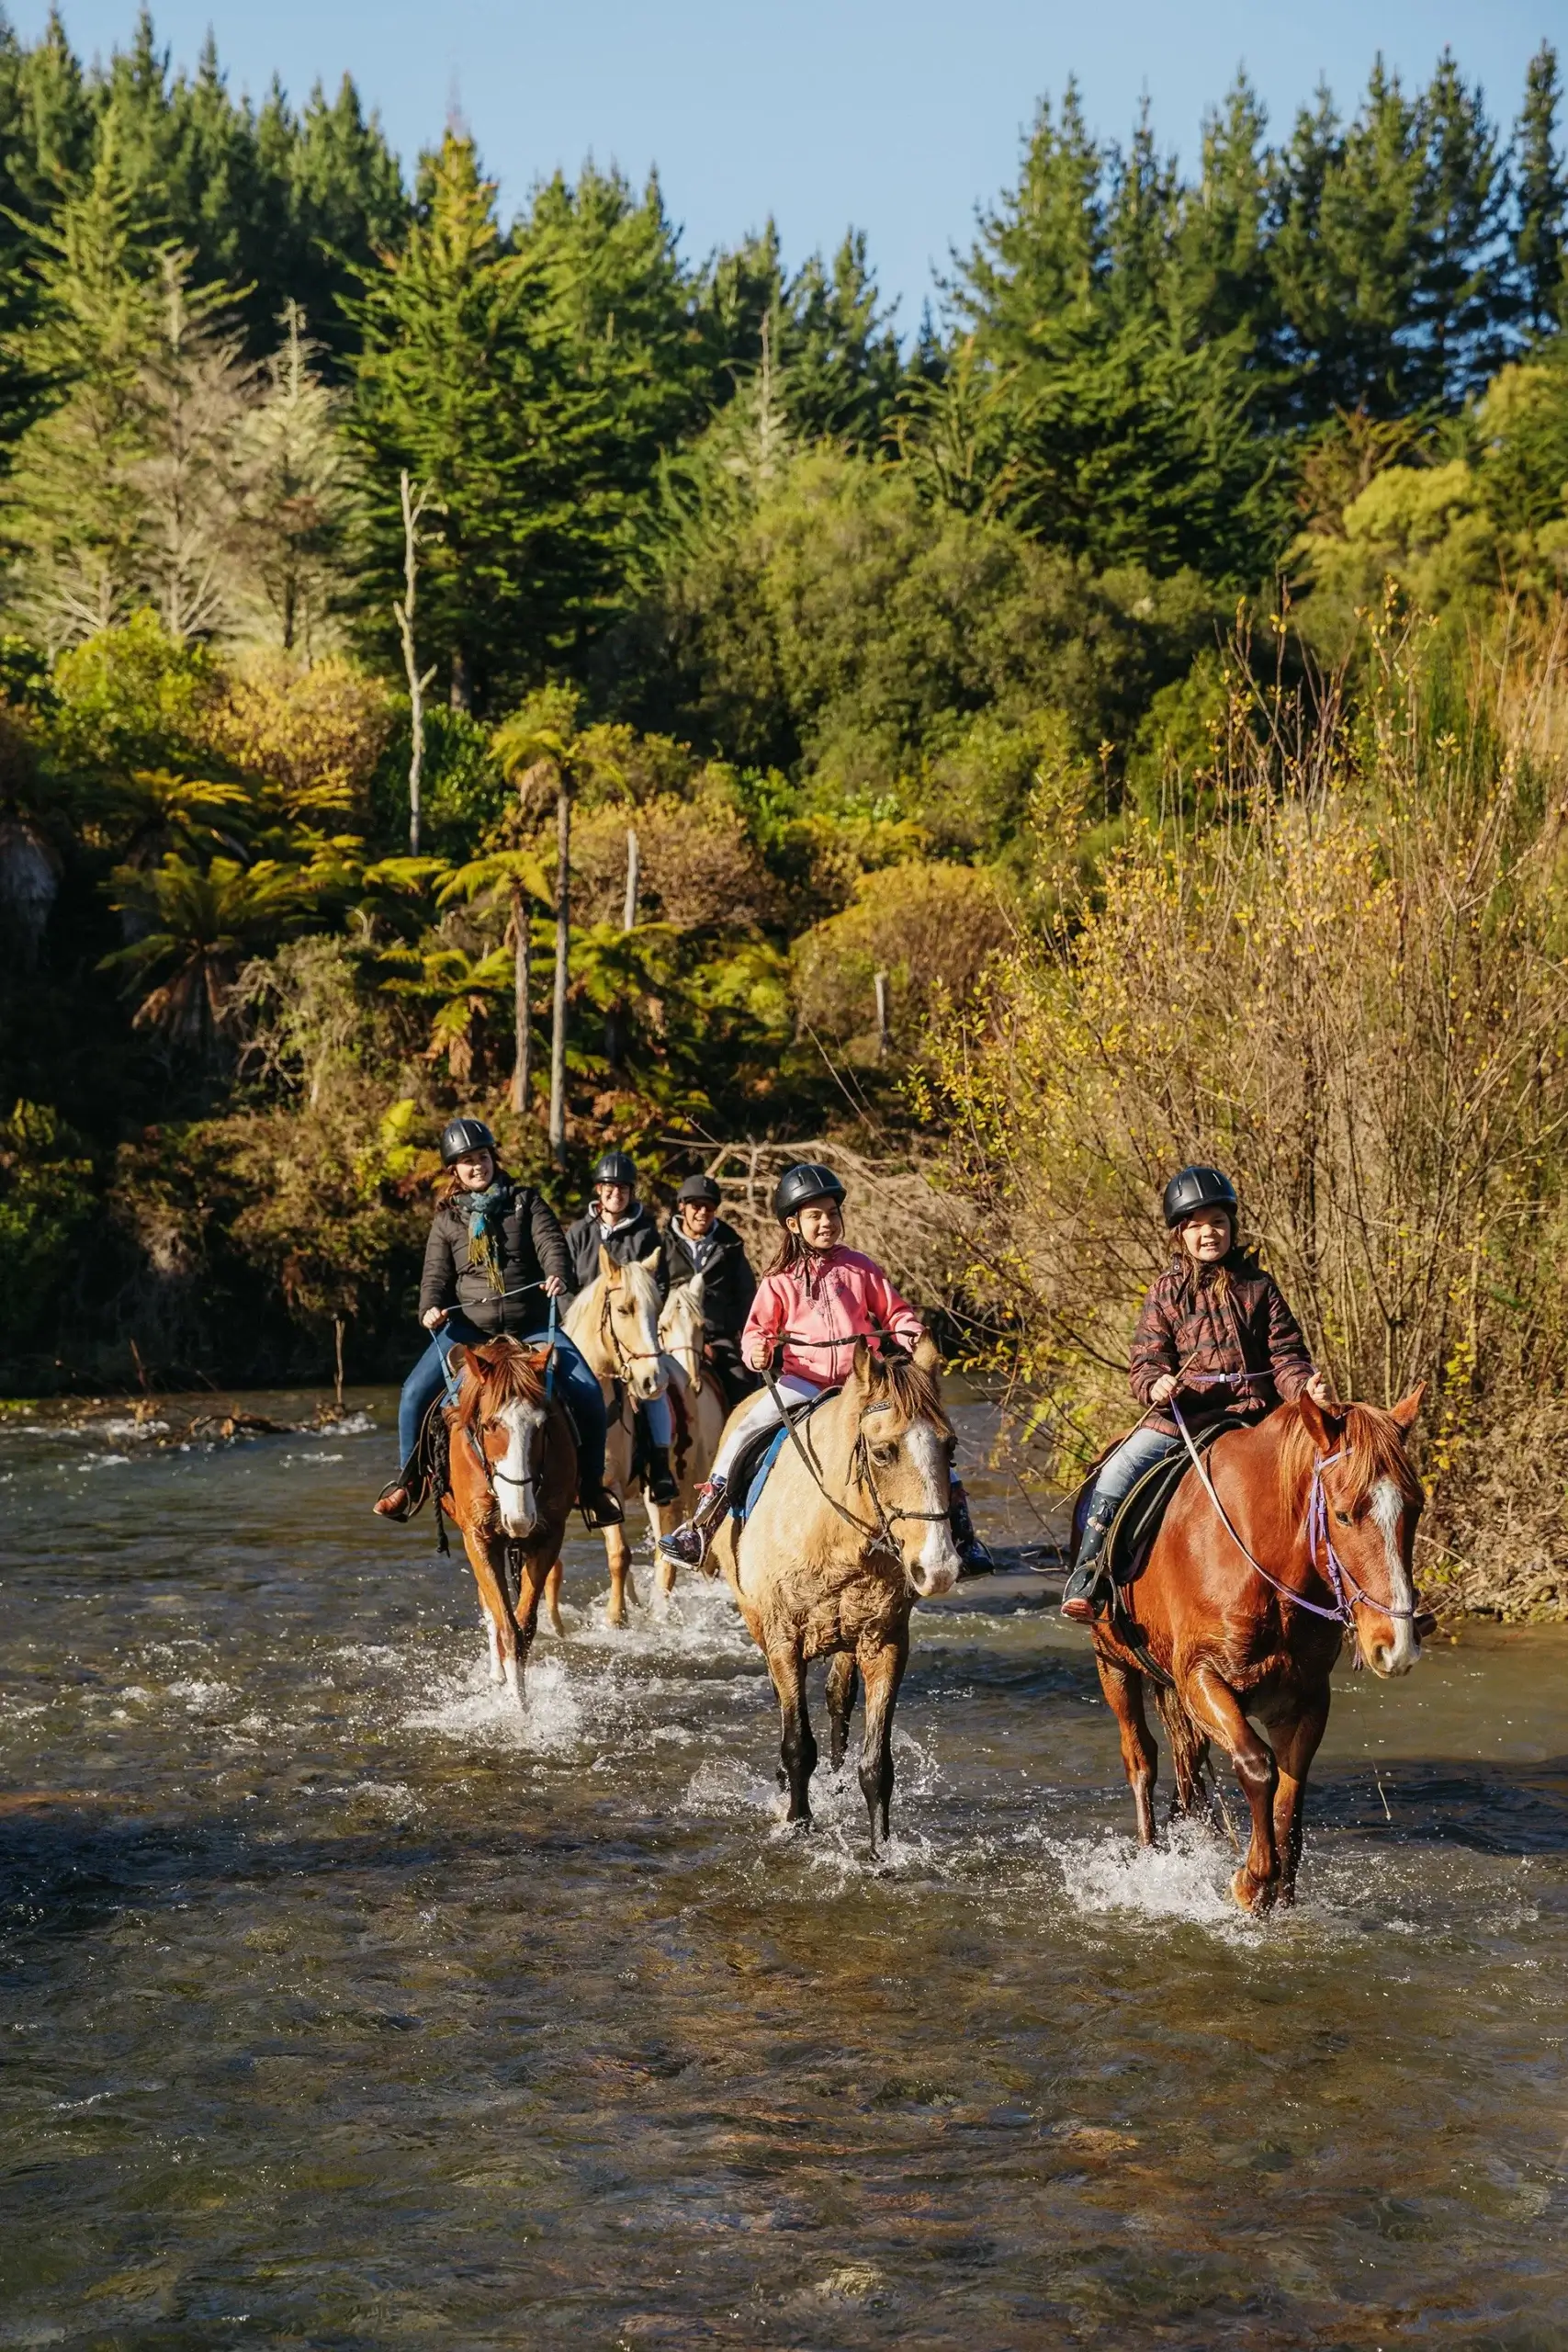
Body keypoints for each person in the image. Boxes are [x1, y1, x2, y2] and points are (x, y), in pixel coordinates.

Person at [657, 1161, 990, 1572]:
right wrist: (757, 1351)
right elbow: (755, 1331)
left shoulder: (860, 1266)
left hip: (867, 1384)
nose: (826, 1222)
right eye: (815, 1216)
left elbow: (895, 1312)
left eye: (832, 1213)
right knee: (744, 1431)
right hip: (804, 1382)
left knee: (924, 1438)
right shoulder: (780, 1278)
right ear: (793, 1224)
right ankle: (702, 1526)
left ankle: (963, 1534)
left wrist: (911, 1335)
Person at [1058, 1163, 1333, 1624]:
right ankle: (1091, 1577)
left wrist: (1303, 1386)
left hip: (1255, 1418)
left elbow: (1286, 1355)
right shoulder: (1165, 1292)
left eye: (1218, 1224)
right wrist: (1156, 1384)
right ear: (1181, 1234)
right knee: (1117, 1471)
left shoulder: (1260, 1288)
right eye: (1198, 1226)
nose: (1210, 1234)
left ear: (1232, 1228)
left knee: (1337, 1471)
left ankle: (1354, 1597)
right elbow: (1144, 1363)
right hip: (1182, 1418)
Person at [374, 1117, 622, 1528]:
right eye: (468, 1161)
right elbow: (434, 1277)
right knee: (414, 1393)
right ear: (454, 1170)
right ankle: (409, 1481)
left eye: (483, 1157)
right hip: (468, 1329)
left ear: (494, 1158)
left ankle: (592, 1488)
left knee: (590, 1393)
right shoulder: (447, 1219)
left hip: (530, 1326)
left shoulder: (527, 1201)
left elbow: (551, 1244)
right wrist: (430, 1308)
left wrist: (558, 1272)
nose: (478, 1166)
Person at [564, 1147, 678, 1506]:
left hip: (630, 1332)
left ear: (631, 1193)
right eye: (610, 1188)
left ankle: (660, 1465)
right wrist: (575, 1318)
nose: (617, 1194)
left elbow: (659, 1283)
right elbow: (565, 1281)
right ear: (598, 1190)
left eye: (624, 1189)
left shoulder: (645, 1233)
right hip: (584, 1331)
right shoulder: (579, 1232)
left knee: (657, 1386)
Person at [659, 1172, 758, 1409]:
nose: (703, 1212)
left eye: (710, 1208)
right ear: (682, 1206)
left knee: (743, 1382)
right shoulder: (660, 1243)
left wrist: (736, 1332)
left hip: (717, 1334)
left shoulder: (730, 1245)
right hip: (670, 1333)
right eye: (697, 1206)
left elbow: (746, 1295)